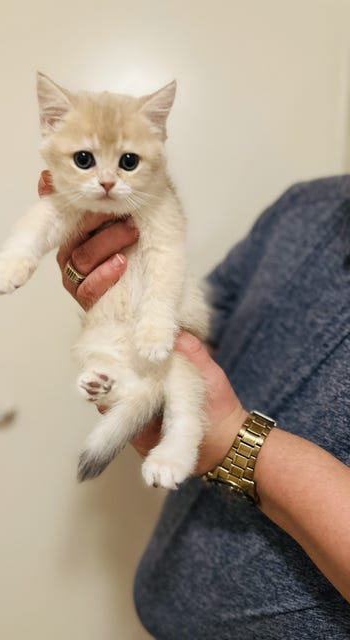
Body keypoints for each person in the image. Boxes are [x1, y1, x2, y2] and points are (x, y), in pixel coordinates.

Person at [39, 172, 350, 638]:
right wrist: (127, 293)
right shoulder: (308, 205)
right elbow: (206, 329)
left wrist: (232, 441)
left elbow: (217, 424)